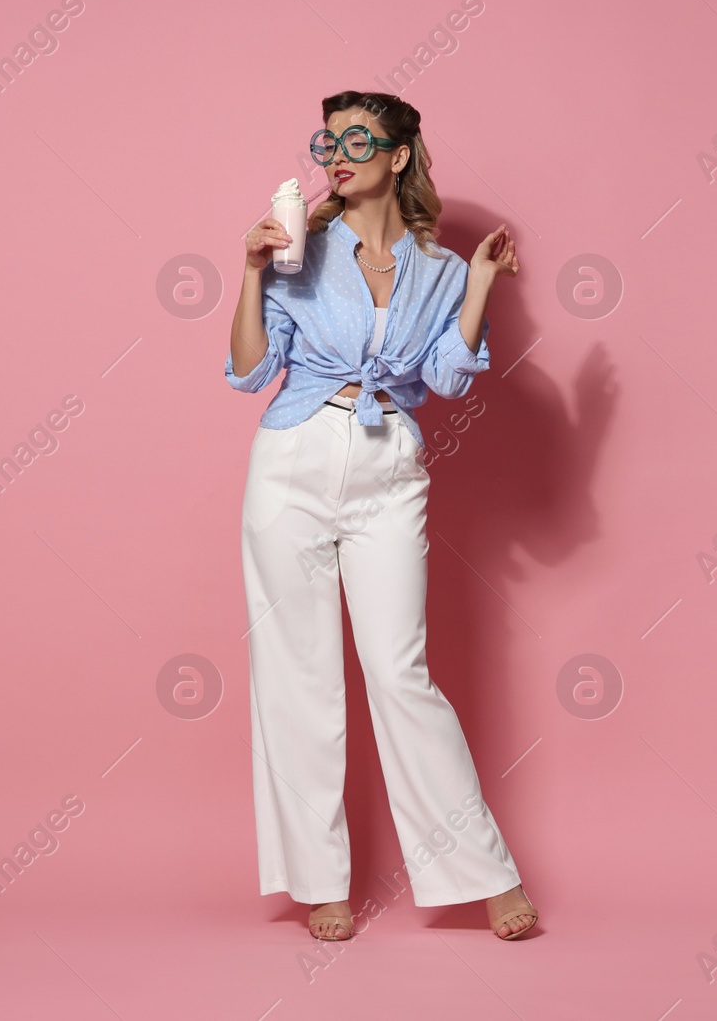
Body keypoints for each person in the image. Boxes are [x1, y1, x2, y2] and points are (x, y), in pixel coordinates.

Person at [224, 91, 537, 941]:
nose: (336, 153)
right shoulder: (297, 251)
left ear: (398, 156)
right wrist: (251, 271)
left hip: (389, 464)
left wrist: (476, 285)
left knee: (400, 672)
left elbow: (445, 378)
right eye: (329, 139)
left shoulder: (437, 269)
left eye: (357, 139)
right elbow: (251, 372)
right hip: (293, 462)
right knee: (300, 676)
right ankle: (319, 880)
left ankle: (479, 870)